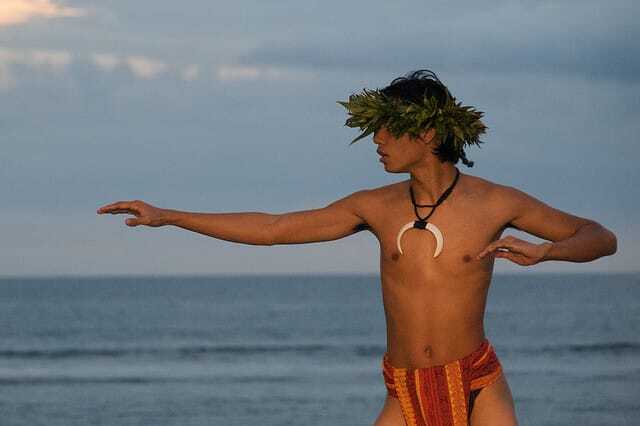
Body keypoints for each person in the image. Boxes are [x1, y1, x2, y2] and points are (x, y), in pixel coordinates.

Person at [96, 69, 617, 426]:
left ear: (430, 133)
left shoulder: (495, 202)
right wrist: (170, 216)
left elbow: (599, 237)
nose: (377, 139)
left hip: (477, 384)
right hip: (406, 391)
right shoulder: (375, 206)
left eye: (390, 129)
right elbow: (275, 228)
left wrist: (548, 253)